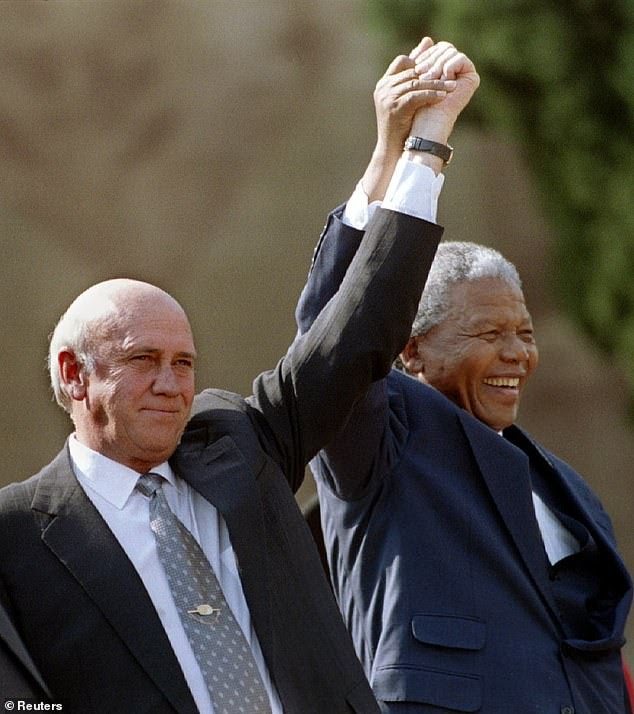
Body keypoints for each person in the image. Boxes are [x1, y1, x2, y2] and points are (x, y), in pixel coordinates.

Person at [0, 38, 475, 714]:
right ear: (75, 375)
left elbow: (355, 332)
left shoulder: (239, 446)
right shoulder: (16, 533)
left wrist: (413, 150)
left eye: (184, 363)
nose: (172, 384)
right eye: (144, 361)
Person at [295, 41, 633, 714]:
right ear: (411, 352)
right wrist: (407, 153)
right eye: (489, 335)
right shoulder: (381, 446)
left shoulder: (565, 486)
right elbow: (333, 339)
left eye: (526, 334)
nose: (517, 355)